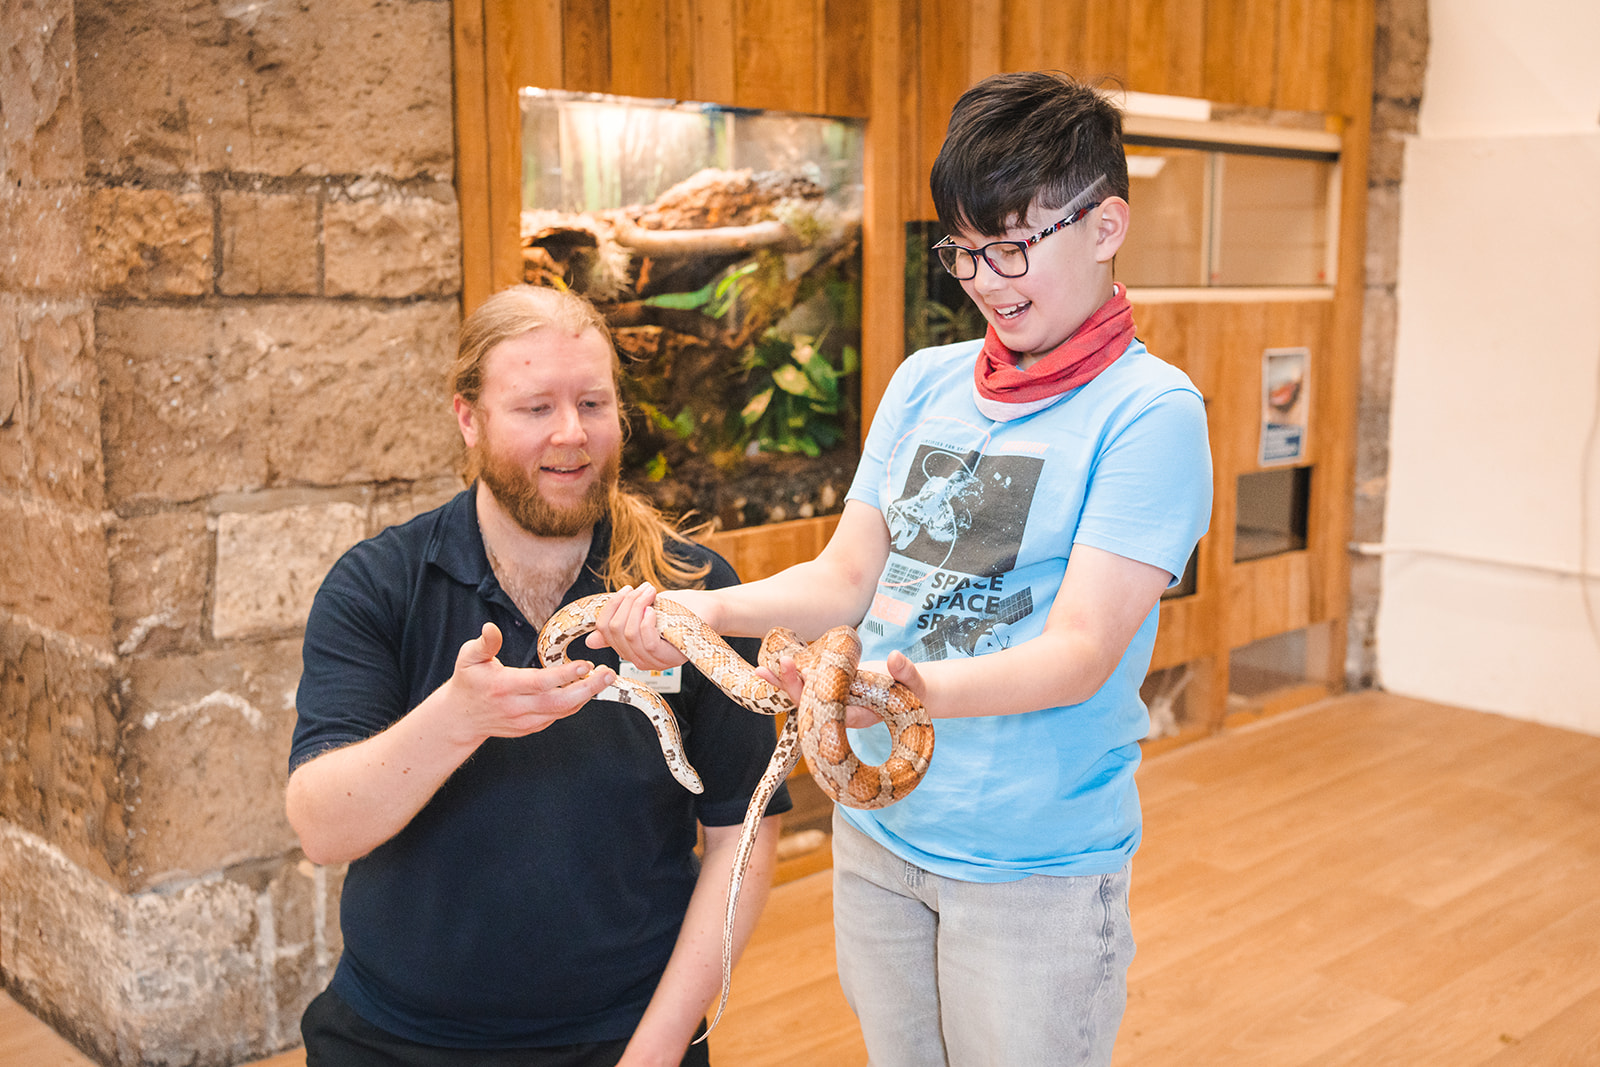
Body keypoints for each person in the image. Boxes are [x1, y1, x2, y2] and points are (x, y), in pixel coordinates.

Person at [594, 71, 1212, 1066]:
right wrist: (691, 606)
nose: (985, 279)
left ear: (1104, 228)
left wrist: (886, 693)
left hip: (1030, 867)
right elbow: (846, 580)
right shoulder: (925, 383)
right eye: (964, 252)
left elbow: (1082, 650)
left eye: (1013, 246)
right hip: (879, 838)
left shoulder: (1149, 413)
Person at [285, 284, 790, 1067]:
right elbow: (321, 828)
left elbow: (743, 835)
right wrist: (458, 718)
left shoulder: (693, 594)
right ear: (468, 417)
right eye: (534, 408)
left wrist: (657, 1048)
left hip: (625, 1034)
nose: (572, 435)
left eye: (593, 402)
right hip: (394, 1037)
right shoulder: (378, 585)